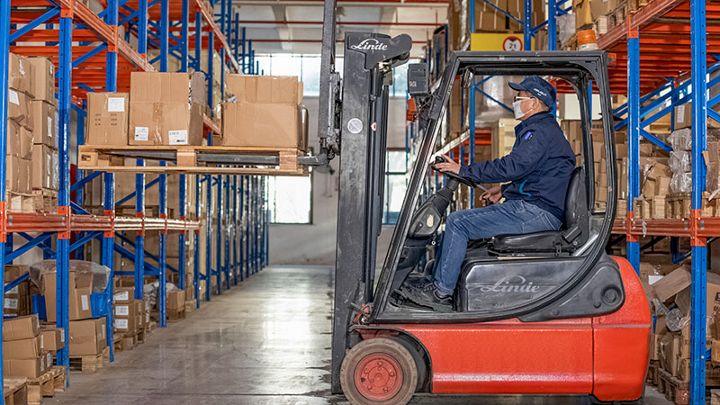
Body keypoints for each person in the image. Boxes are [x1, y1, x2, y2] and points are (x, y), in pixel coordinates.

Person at [405, 75, 576, 310]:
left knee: (458, 222)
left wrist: (464, 170)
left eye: (520, 97)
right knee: (460, 225)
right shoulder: (541, 130)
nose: (516, 101)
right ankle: (437, 282)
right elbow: (536, 175)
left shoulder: (539, 132)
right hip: (535, 207)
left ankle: (440, 293)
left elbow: (513, 166)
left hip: (537, 212)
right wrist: (503, 190)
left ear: (535, 102)